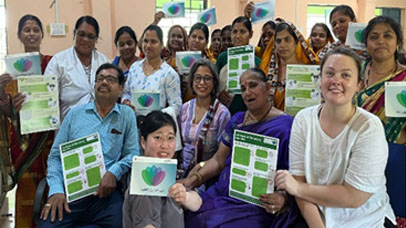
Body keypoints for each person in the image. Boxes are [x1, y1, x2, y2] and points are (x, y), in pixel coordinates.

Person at [275, 46, 397, 227]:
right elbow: (298, 182)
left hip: (366, 219)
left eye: (346, 75)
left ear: (359, 85)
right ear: (320, 80)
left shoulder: (368, 127)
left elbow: (354, 197)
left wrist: (298, 188)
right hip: (316, 214)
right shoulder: (303, 119)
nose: (336, 81)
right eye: (329, 73)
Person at [182, 68, 301, 228]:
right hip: (226, 192)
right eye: (243, 88)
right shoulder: (237, 120)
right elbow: (218, 160)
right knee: (192, 214)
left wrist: (284, 198)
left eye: (253, 85)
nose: (247, 92)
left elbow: (296, 176)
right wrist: (194, 179)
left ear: (267, 88)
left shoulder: (286, 126)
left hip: (258, 202)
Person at [39, 63, 139, 227]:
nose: (104, 82)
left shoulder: (126, 115)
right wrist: (56, 190)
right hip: (71, 192)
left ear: (121, 88)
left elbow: (132, 154)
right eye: (100, 79)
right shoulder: (74, 114)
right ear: (94, 85)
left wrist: (114, 172)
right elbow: (55, 156)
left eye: (110, 79)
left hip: (105, 194)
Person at [0, 14, 54, 228]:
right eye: (27, 30)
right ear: (19, 35)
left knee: (52, 190)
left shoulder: (51, 64)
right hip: (25, 143)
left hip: (49, 138)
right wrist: (3, 96)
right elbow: (8, 114)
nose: (31, 34)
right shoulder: (11, 72)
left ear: (42, 34)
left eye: (35, 30)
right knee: (27, 194)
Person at [358, 16, 406, 222]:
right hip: (357, 153)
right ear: (366, 43)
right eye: (374, 37)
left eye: (388, 35)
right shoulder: (354, 73)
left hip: (395, 157)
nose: (381, 41)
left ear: (398, 43)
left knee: (393, 216)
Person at [123, 111, 202, 228]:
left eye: (170, 138)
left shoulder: (167, 172)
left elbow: (197, 203)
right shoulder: (144, 185)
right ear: (143, 142)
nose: (165, 145)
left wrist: (185, 197)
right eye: (158, 137)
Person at [45, 16, 109, 120]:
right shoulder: (59, 62)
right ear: (74, 34)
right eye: (81, 34)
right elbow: (48, 97)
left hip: (100, 126)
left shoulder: (103, 61)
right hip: (69, 128)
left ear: (96, 39)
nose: (85, 39)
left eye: (91, 36)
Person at [179, 59, 230, 179]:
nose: (202, 82)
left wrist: (197, 175)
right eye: (197, 78)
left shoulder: (221, 113)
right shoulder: (185, 108)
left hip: (206, 175)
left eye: (207, 78)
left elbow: (221, 156)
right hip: (181, 170)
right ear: (192, 81)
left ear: (214, 83)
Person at [121, 24, 182, 116]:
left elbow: (176, 106)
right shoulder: (134, 68)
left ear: (161, 45)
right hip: (133, 123)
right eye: (145, 41)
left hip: (156, 126)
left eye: (153, 42)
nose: (148, 45)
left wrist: (157, 117)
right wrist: (126, 102)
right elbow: (126, 93)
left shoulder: (169, 73)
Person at [259, 22, 318, 111]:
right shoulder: (267, 72)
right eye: (278, 41)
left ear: (297, 42)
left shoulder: (307, 71)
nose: (282, 45)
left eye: (287, 40)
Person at [216, 16, 262, 115]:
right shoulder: (223, 58)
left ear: (250, 34)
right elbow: (214, 84)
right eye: (234, 32)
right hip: (225, 111)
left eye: (242, 32)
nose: (237, 36)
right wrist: (219, 94)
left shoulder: (258, 62)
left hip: (249, 113)